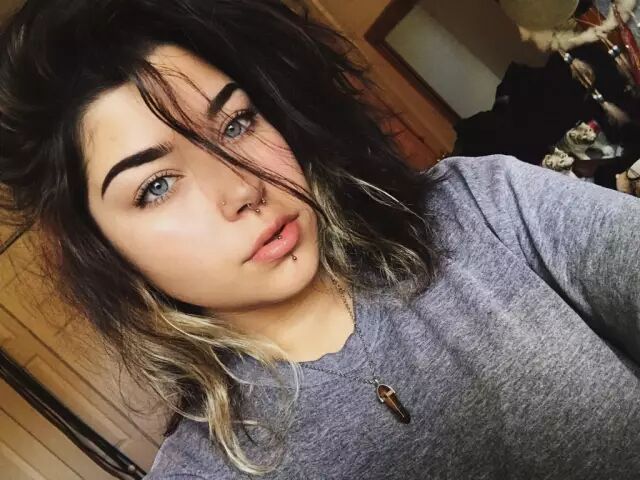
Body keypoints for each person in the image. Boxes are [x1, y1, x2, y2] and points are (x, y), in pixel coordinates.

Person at [0, 0, 639, 478]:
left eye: (236, 124)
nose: (241, 187)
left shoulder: (482, 205)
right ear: (104, 249)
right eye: (157, 185)